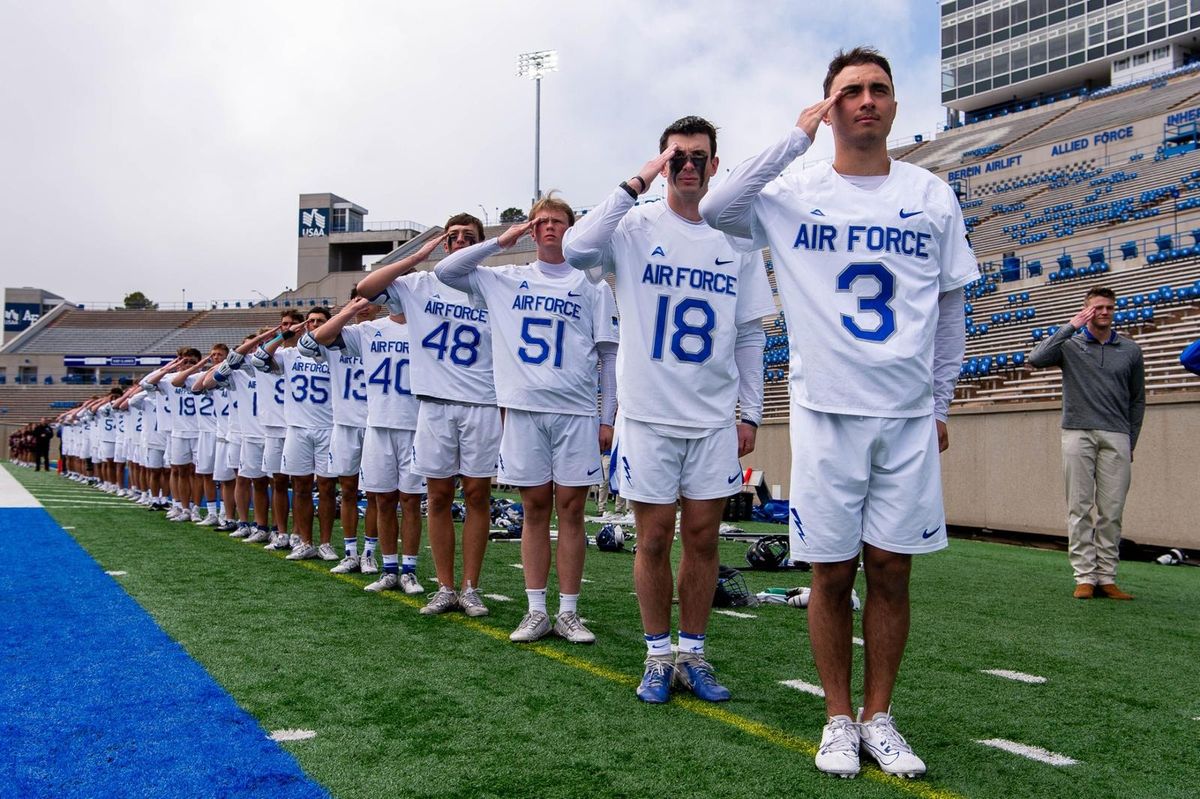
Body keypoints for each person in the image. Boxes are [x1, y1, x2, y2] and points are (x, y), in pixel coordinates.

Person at [701, 47, 978, 778]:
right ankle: (835, 716)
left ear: (894, 104)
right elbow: (714, 206)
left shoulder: (930, 193)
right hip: (826, 410)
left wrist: (941, 399)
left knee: (891, 570)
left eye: (878, 89)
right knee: (831, 573)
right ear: (829, 106)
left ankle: (878, 713)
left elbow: (951, 309)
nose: (866, 100)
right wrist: (795, 136)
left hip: (905, 414)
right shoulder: (793, 187)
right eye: (849, 91)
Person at [563, 117, 772, 701]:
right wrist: (635, 182)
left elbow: (750, 333)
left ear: (715, 164)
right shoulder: (633, 226)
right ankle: (657, 654)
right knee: (653, 538)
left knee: (704, 539)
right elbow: (578, 247)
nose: (689, 165)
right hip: (649, 415)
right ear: (661, 163)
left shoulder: (737, 236)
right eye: (677, 156)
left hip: (710, 417)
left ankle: (695, 652)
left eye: (699, 156)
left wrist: (749, 412)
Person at [434, 195, 619, 644]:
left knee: (572, 510)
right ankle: (536, 610)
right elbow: (446, 271)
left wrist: (606, 415)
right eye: (542, 222)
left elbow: (608, 357)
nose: (550, 227)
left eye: (558, 221)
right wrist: (501, 240)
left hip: (575, 410)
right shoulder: (505, 279)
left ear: (571, 230)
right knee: (534, 509)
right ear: (531, 231)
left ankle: (569, 612)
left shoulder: (591, 285)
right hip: (523, 409)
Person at [356, 218, 500, 618]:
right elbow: (366, 289)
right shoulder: (419, 284)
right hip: (433, 403)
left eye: (468, 238)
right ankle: (445, 585)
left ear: (480, 244)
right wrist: (416, 256)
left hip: (481, 401)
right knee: (436, 496)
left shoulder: (492, 283)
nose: (458, 242)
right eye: (452, 237)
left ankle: (470, 586)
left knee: (476, 495)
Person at [306, 294, 429, 592]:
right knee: (383, 499)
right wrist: (351, 309)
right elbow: (316, 339)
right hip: (377, 423)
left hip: (414, 423)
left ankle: (409, 569)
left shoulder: (425, 325)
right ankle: (388, 569)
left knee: (410, 501)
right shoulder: (368, 330)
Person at [1029, 286, 1145, 601]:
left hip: (1117, 436)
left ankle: (1106, 578)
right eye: (1097, 308)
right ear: (1087, 310)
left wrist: (1130, 439)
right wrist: (1072, 325)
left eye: (1109, 307)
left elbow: (1137, 400)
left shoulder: (1131, 350)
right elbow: (1036, 358)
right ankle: (1084, 577)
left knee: (1112, 510)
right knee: (1078, 508)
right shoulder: (1070, 345)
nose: (1104, 312)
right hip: (1077, 433)